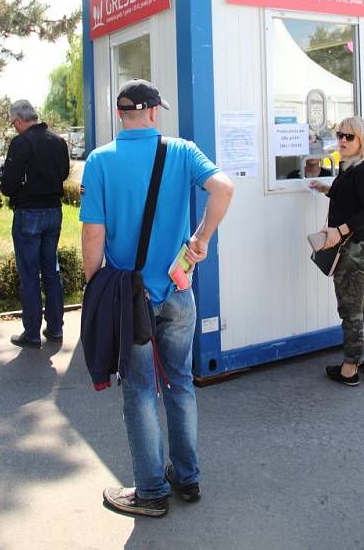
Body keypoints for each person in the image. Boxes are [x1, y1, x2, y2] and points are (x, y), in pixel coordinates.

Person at [80, 79, 233, 518]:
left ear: (119, 113)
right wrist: (201, 238)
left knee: (141, 392)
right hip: (178, 291)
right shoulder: (181, 151)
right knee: (180, 384)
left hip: (131, 302)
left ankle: (150, 491)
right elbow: (224, 188)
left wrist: (97, 291)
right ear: (152, 112)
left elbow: (93, 234)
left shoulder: (100, 161)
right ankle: (187, 478)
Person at [310, 116, 364, 386]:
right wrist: (326, 189)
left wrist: (340, 230)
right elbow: (351, 198)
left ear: (361, 139)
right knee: (363, 306)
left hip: (357, 248)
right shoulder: (349, 166)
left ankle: (350, 368)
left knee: (350, 310)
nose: (342, 140)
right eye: (340, 135)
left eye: (349, 136)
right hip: (359, 246)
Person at [0, 100, 70, 349]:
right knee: (52, 270)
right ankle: (55, 328)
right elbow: (63, 174)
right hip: (54, 211)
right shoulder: (58, 141)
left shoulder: (21, 143)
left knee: (30, 275)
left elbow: (8, 185)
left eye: (13, 123)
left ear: (19, 120)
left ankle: (31, 333)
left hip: (29, 213)